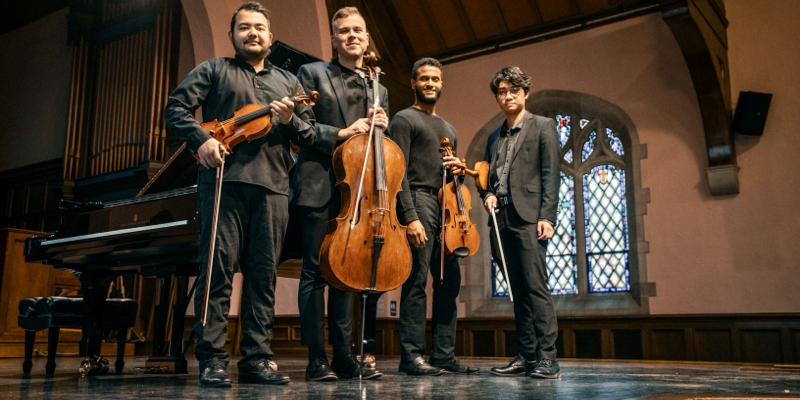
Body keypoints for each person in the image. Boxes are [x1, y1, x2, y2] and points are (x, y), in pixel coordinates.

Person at [164, 2, 315, 387]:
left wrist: (290, 120)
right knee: (216, 273)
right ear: (232, 35)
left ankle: (256, 359)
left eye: (259, 27)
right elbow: (176, 108)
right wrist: (200, 140)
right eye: (245, 27)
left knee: (263, 278)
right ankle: (212, 359)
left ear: (270, 36)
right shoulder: (213, 69)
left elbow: (309, 133)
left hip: (274, 189)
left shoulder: (289, 82)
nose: (253, 33)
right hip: (223, 184)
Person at [291, 6, 388, 381]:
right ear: (334, 39)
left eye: (358, 30)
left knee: (346, 272)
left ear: (366, 38)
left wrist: (382, 126)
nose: (352, 36)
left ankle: (344, 356)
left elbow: (379, 149)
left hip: (358, 194)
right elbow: (300, 127)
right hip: (319, 184)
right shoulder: (311, 73)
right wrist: (342, 133)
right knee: (315, 272)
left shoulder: (378, 87)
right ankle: (316, 358)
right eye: (344, 31)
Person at [389, 58, 480, 376]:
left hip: (446, 205)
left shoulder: (449, 130)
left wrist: (459, 172)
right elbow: (396, 171)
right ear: (414, 83)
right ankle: (411, 357)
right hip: (418, 199)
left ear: (441, 84)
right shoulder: (403, 119)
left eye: (436, 79)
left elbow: (451, 180)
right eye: (424, 78)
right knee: (416, 281)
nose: (430, 83)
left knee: (448, 282)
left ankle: (443, 355)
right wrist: (410, 217)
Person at [479, 66, 561, 379]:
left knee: (536, 288)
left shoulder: (543, 126)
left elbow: (551, 175)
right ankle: (527, 355)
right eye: (502, 91)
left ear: (525, 93)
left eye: (514, 90)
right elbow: (488, 179)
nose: (508, 96)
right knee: (516, 291)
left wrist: (547, 216)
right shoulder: (493, 136)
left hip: (530, 219)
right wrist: (487, 195)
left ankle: (548, 358)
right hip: (501, 220)